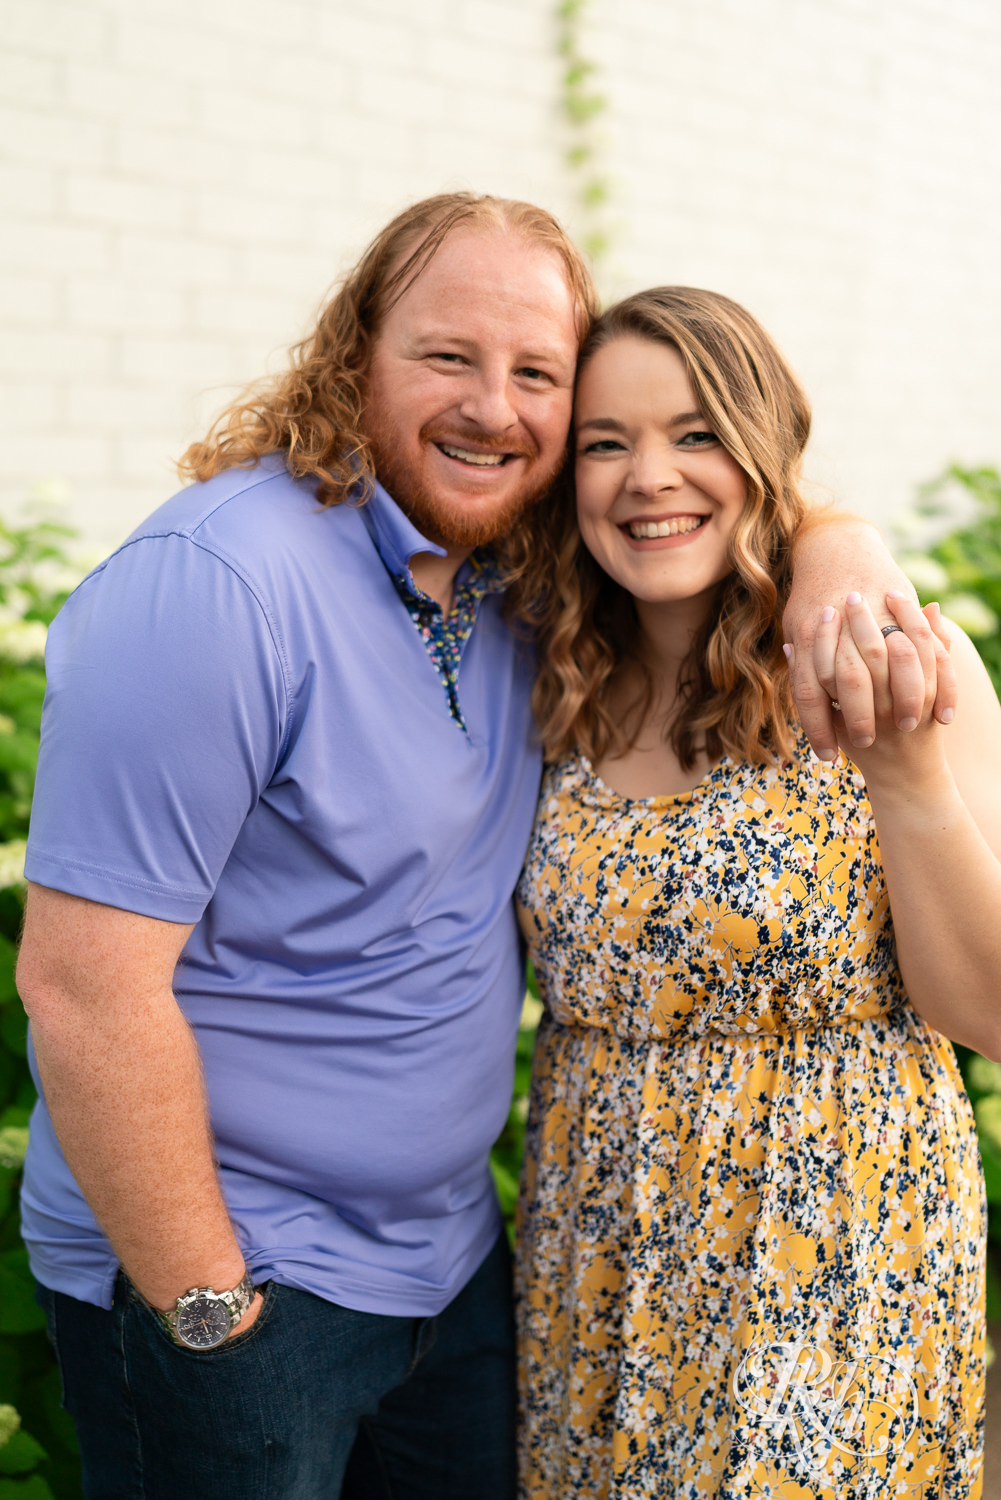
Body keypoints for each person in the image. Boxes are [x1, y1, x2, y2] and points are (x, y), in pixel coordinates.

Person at [16, 195, 944, 1500]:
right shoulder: (216, 587)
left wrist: (838, 543)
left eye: (537, 375)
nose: (493, 408)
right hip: (243, 1284)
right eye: (447, 357)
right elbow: (80, 985)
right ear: (356, 355)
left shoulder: (522, 579)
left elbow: (718, 487)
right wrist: (204, 1301)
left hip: (456, 1273)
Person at [513, 285, 998, 1499]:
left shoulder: (897, 662)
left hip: (829, 1260)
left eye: (694, 434)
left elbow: (987, 1009)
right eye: (604, 443)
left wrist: (905, 775)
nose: (646, 478)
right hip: (595, 1260)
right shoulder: (552, 684)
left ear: (760, 451)